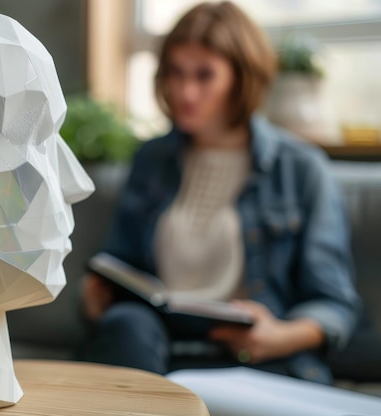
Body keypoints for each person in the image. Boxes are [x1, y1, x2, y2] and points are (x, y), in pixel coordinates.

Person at [79, 1, 360, 385]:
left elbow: (336, 304)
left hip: (249, 356)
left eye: (204, 75)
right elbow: (120, 261)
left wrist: (280, 336)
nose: (185, 91)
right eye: (175, 73)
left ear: (241, 78)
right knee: (126, 324)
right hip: (156, 349)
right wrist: (99, 294)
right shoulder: (152, 159)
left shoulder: (299, 168)